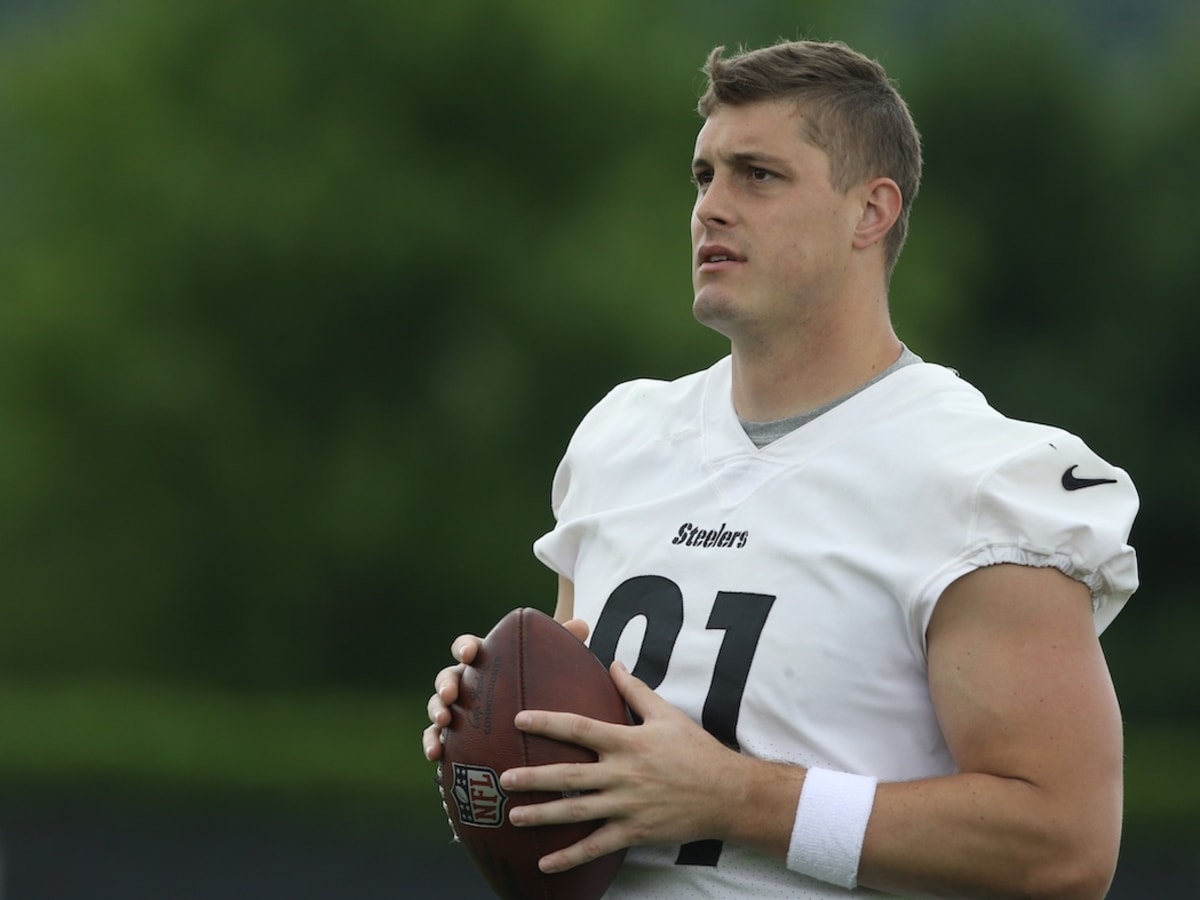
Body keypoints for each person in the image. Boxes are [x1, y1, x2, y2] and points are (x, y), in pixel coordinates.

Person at [423, 38, 1138, 899]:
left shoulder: (983, 476)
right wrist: (505, 718)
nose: (711, 208)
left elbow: (1063, 847)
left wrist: (737, 798)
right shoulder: (621, 436)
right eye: (703, 176)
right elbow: (588, 746)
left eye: (757, 176)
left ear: (870, 212)